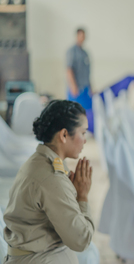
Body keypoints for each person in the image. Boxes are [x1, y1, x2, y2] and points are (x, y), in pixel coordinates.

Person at [3, 100, 94, 264]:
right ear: (64, 135)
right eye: (83, 133)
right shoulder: (51, 177)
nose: (85, 140)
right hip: (38, 258)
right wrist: (82, 197)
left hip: (33, 254)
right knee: (90, 251)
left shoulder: (40, 161)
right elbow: (81, 240)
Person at [67, 28, 92, 111]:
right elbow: (69, 69)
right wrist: (73, 86)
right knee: (75, 112)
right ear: (77, 36)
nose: (82, 38)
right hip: (76, 89)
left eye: (84, 36)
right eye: (81, 36)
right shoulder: (72, 51)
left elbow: (87, 73)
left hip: (85, 89)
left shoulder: (85, 53)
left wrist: (90, 87)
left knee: (86, 112)